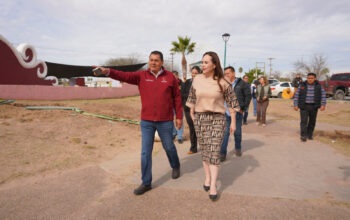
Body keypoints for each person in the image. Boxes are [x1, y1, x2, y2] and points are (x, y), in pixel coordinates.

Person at [93, 51, 182, 195]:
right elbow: (124, 75)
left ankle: (175, 165)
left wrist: (179, 117)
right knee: (145, 152)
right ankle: (146, 183)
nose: (153, 62)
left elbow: (177, 98)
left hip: (165, 121)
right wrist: (107, 71)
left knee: (169, 147)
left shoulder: (170, 77)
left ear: (162, 63)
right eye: (151, 60)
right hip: (146, 121)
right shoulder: (141, 76)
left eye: (156, 60)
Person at [186, 52, 239, 201]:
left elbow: (232, 102)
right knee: (205, 150)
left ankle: (214, 185)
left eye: (206, 62)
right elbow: (192, 97)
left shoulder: (223, 81)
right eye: (202, 62)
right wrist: (192, 113)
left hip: (218, 118)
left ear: (214, 65)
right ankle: (207, 178)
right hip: (201, 118)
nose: (203, 65)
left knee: (214, 152)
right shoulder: (197, 80)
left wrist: (233, 121)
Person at [220, 67, 251, 161]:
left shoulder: (242, 84)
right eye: (225, 74)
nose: (226, 75)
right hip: (226, 112)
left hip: (237, 112)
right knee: (225, 133)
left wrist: (243, 108)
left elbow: (248, 96)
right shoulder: (224, 83)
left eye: (228, 73)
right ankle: (222, 153)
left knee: (237, 132)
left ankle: (238, 148)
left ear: (234, 73)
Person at [293, 72, 326, 142]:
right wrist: (295, 105)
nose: (310, 79)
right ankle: (303, 135)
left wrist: (323, 104)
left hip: (314, 106)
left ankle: (309, 134)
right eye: (308, 78)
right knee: (303, 121)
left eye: (311, 78)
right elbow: (297, 95)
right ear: (307, 78)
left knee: (312, 122)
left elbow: (323, 95)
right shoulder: (302, 85)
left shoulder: (319, 86)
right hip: (304, 106)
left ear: (315, 78)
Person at [182, 66, 200, 154]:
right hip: (188, 109)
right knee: (192, 128)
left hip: (199, 109)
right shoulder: (187, 82)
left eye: (196, 73)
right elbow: (183, 94)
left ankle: (205, 145)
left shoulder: (203, 83)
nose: (194, 75)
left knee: (199, 128)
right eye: (193, 73)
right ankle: (193, 147)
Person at [172, 71, 184, 144]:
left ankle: (179, 137)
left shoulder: (182, 84)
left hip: (180, 106)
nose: (173, 78)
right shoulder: (169, 83)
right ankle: (174, 132)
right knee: (169, 120)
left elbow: (184, 94)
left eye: (174, 76)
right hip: (170, 106)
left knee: (180, 121)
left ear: (177, 76)